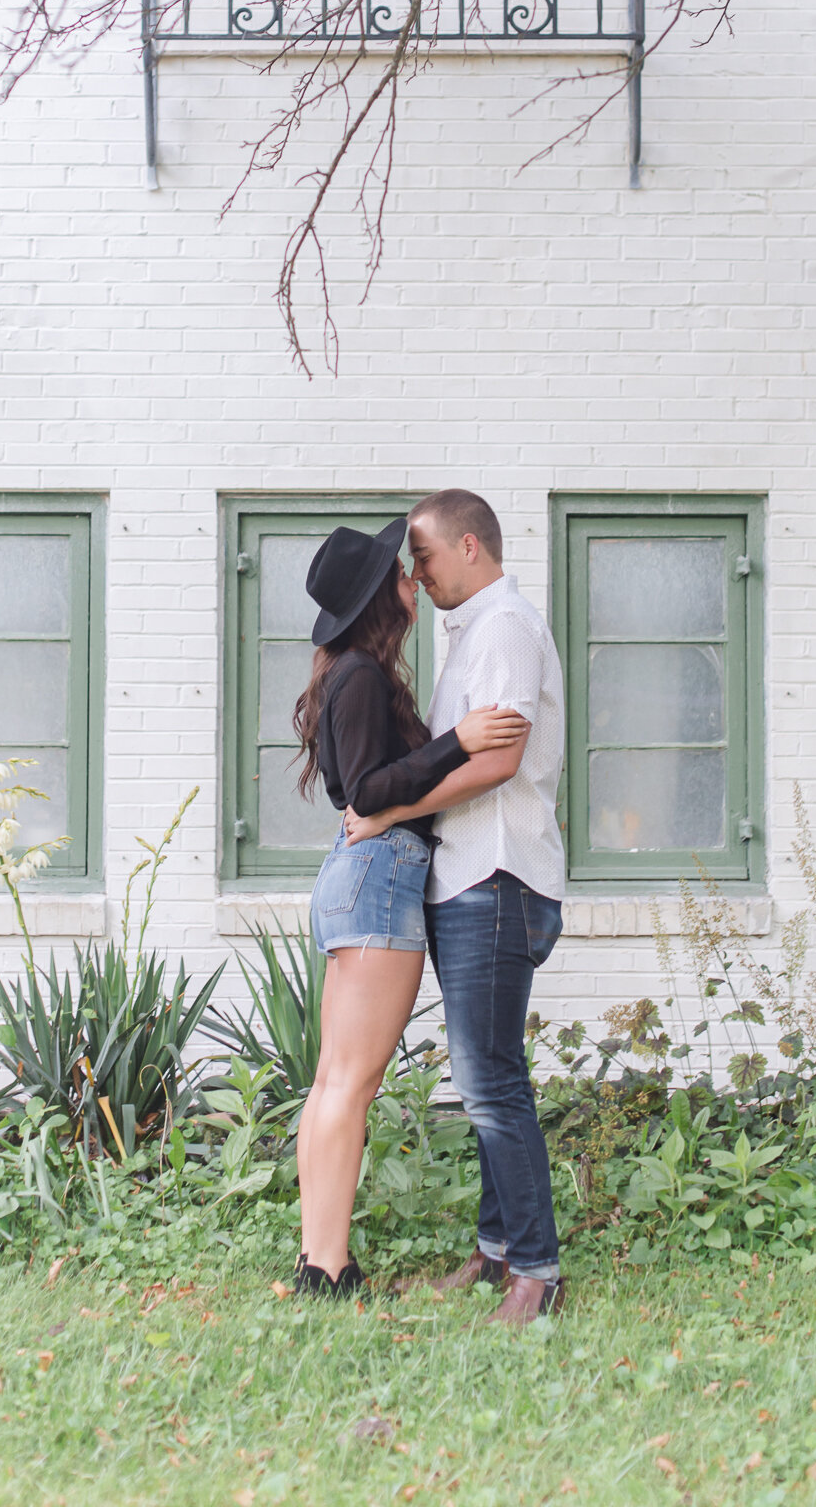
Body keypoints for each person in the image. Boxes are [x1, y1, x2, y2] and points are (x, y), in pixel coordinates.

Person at [343, 489, 566, 1325]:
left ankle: (535, 1274)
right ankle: (496, 1254)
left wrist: (393, 811)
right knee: (485, 1077)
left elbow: (499, 760)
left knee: (489, 1081)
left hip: (495, 878)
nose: (416, 573)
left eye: (424, 556)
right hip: (472, 876)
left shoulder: (503, 626)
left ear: (470, 547)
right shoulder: (473, 633)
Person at [291, 515, 529, 1297]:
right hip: (380, 872)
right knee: (348, 1080)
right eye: (401, 573)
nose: (413, 581)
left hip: (370, 872)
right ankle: (324, 1265)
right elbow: (365, 792)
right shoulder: (359, 675)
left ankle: (323, 1260)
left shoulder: (357, 673)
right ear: (376, 600)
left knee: (339, 1078)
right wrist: (458, 739)